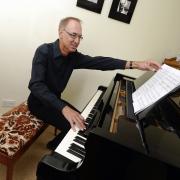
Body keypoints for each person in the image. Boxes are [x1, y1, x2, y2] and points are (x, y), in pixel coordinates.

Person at [27, 16, 161, 150]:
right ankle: (54, 150)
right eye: (73, 35)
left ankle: (54, 143)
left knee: (83, 122)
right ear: (60, 32)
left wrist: (136, 64)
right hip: (38, 103)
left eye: (80, 37)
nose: (77, 41)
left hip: (55, 102)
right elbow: (36, 85)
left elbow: (99, 62)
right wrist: (64, 109)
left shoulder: (73, 57)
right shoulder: (44, 51)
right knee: (75, 125)